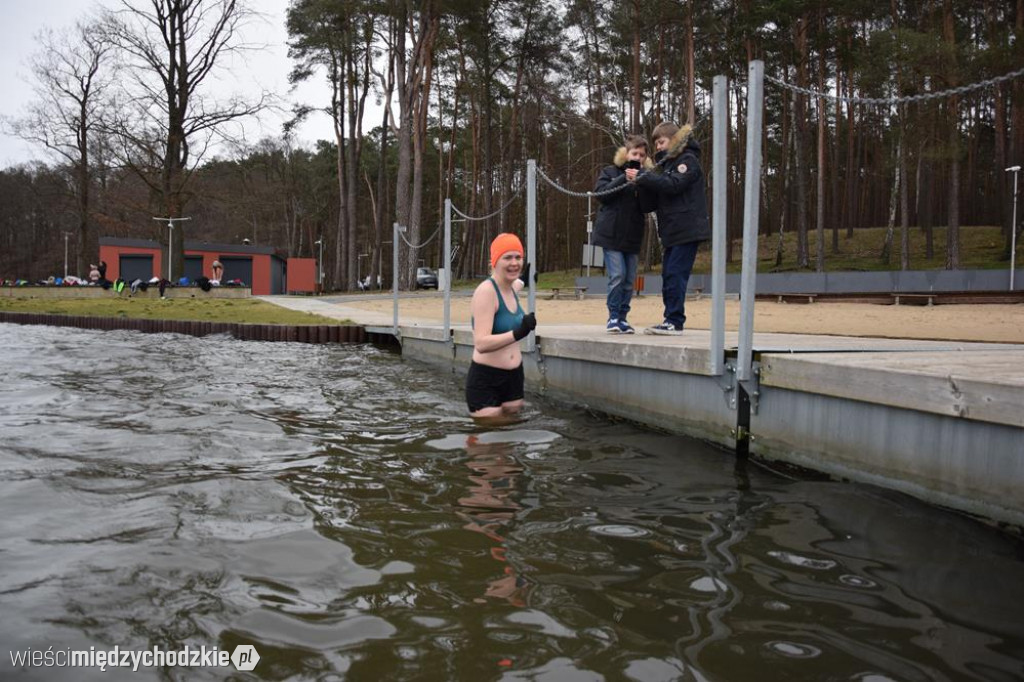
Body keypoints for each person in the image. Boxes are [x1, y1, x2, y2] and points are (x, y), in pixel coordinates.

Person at [635, 122, 710, 335]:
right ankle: (671, 318)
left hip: (686, 229)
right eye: (656, 143)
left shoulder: (687, 161)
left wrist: (645, 176)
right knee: (669, 275)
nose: (658, 147)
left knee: (676, 274)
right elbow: (651, 203)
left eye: (661, 142)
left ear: (674, 140)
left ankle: (675, 320)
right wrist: (642, 183)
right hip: (672, 232)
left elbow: (674, 185)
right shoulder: (666, 167)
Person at [466, 233, 537, 418]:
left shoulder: (510, 287)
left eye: (518, 257)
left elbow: (516, 286)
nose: (514, 263)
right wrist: (519, 333)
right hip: (486, 379)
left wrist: (525, 281)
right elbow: (481, 344)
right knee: (489, 437)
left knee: (511, 438)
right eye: (507, 257)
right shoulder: (486, 292)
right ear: (494, 261)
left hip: (514, 378)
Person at [592, 135, 654, 334]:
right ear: (626, 154)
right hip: (610, 234)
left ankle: (623, 318)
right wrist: (623, 178)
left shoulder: (646, 177)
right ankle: (613, 317)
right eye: (635, 153)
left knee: (629, 280)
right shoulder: (609, 172)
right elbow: (601, 195)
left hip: (633, 236)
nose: (638, 157)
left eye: (642, 155)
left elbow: (648, 206)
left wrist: (643, 182)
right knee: (617, 275)